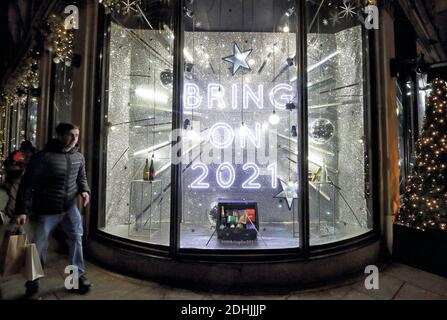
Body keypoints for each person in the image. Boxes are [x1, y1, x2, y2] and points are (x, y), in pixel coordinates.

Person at [15, 123, 91, 299]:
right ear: (59, 135)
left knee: (76, 238)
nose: (74, 139)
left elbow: (81, 177)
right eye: (70, 135)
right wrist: (22, 210)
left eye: (77, 135)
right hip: (45, 209)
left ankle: (75, 279)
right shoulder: (42, 158)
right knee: (39, 246)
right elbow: (27, 185)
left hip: (69, 207)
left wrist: (84, 190)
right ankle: (33, 284)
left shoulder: (78, 157)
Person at [2, 140, 36, 220]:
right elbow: (8, 166)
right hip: (16, 178)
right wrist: (19, 168)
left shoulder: (24, 154)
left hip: (21, 178)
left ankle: (7, 212)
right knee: (14, 196)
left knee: (15, 196)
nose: (26, 153)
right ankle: (11, 214)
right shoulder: (17, 154)